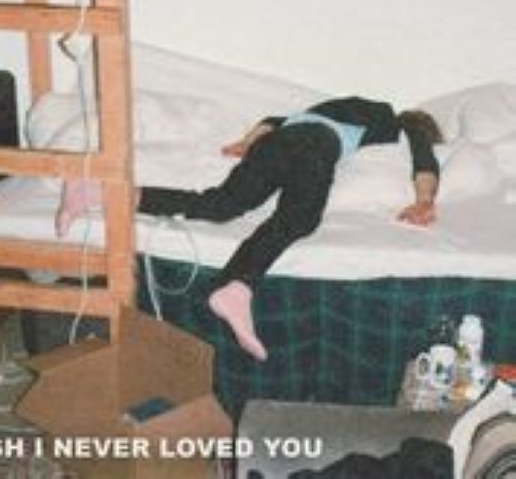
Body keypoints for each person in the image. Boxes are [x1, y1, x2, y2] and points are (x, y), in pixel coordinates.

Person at [56, 97, 443, 362]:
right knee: (300, 218)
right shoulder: (390, 118)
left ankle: (98, 192)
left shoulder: (323, 108)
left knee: (221, 203)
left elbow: (273, 120)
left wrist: (247, 142)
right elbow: (424, 158)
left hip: (277, 141)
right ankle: (237, 286)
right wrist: (425, 199)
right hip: (315, 144)